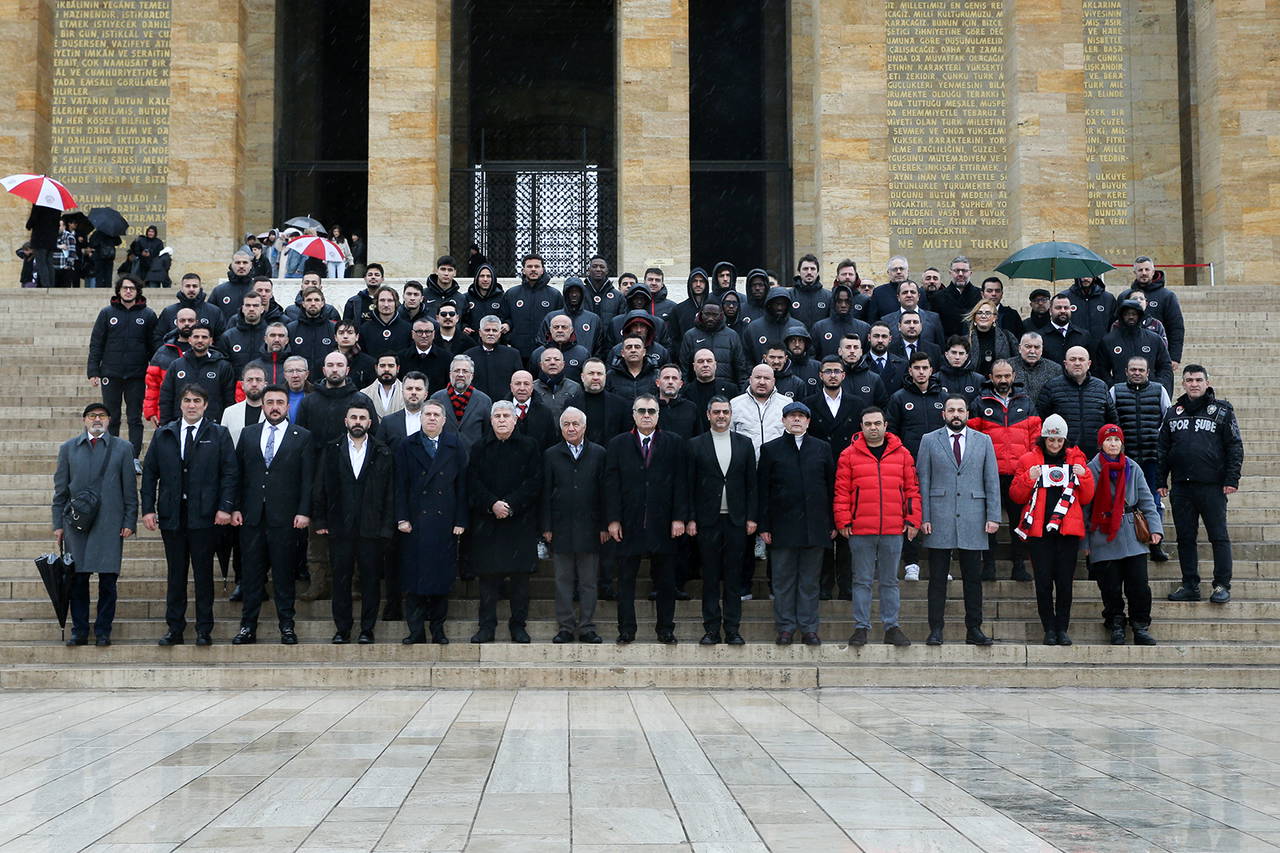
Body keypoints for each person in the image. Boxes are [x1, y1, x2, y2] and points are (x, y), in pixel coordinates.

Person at [140, 384, 237, 646]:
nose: (191, 405)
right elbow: (149, 474)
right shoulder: (165, 434)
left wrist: (225, 507)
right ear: (180, 404)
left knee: (204, 574)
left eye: (197, 400)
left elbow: (230, 473)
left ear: (205, 405)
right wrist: (147, 508)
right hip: (173, 516)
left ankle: (204, 629)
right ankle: (175, 628)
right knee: (176, 574)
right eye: (187, 400)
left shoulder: (219, 433)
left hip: (205, 516)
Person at [230, 385, 313, 645]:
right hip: (252, 518)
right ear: (263, 405)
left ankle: (287, 626)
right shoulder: (249, 434)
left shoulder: (302, 436)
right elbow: (238, 474)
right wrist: (234, 507)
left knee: (284, 575)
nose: (275, 406)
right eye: (270, 402)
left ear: (288, 406)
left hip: (286, 519)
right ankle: (247, 627)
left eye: (280, 402)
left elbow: (307, 479)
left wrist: (303, 511)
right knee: (252, 575)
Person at [604, 394, 690, 644]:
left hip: (663, 523)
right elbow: (611, 484)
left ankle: (665, 629)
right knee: (626, 582)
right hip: (628, 523)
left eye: (651, 411)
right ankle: (627, 630)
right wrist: (613, 520)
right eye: (641, 410)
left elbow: (681, 483)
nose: (646, 415)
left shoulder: (674, 443)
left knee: (665, 582)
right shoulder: (618, 444)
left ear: (658, 415)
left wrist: (679, 518)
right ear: (633, 414)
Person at [916, 395, 1001, 646]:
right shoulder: (929, 440)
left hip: (974, 516)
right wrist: (925, 516)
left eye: (960, 410)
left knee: (973, 578)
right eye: (951, 410)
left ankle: (974, 628)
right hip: (939, 516)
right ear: (943, 414)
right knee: (938, 578)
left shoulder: (983, 441)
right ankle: (936, 629)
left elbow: (991, 480)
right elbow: (923, 480)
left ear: (967, 414)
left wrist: (994, 515)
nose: (956, 414)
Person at [52, 403, 138, 646]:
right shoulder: (68, 449)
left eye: (101, 416)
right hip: (76, 526)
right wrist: (58, 524)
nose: (97, 419)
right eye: (92, 416)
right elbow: (60, 491)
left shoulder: (123, 448)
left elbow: (130, 491)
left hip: (110, 524)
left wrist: (130, 520)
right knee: (77, 580)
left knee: (108, 581)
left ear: (109, 420)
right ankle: (79, 630)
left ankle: (103, 631)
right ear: (84, 420)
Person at [834, 406, 921, 647]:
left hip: (893, 528)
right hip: (861, 529)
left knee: (890, 581)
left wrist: (912, 519)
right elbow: (842, 491)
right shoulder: (848, 455)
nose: (873, 427)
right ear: (861, 427)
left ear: (885, 425)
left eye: (877, 423)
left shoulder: (902, 454)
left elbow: (912, 489)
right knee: (861, 580)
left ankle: (891, 627)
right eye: (868, 424)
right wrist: (843, 520)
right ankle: (861, 627)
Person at [1160, 364, 1244, 604]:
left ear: (1207, 382)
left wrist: (1231, 478)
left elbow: (1234, 446)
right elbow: (1162, 448)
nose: (1194, 384)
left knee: (1218, 536)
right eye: (1189, 380)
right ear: (1183, 383)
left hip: (1212, 485)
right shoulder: (1172, 412)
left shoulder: (1222, 410)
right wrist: (1160, 480)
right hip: (1181, 487)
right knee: (1185, 537)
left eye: (1198, 379)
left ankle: (1221, 585)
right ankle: (1189, 584)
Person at [1010, 414, 1096, 645]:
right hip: (1039, 533)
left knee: (1065, 583)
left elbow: (1087, 497)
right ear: (1044, 439)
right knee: (1043, 582)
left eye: (1059, 441)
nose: (1055, 445)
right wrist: (1029, 478)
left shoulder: (1076, 459)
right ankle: (1048, 628)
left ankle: (1062, 628)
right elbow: (1016, 495)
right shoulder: (1028, 460)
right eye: (1051, 440)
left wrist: (1084, 476)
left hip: (1067, 532)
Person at [313, 402, 394, 644]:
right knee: (340, 580)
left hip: (371, 528)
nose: (358, 421)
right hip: (340, 526)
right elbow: (321, 486)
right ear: (346, 421)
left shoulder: (383, 451)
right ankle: (343, 629)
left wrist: (387, 525)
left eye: (362, 418)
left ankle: (367, 629)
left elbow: (390, 492)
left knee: (370, 580)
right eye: (353, 417)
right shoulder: (331, 449)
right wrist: (320, 518)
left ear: (370, 423)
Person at [757, 401, 835, 646]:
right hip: (782, 527)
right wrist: (764, 526)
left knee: (810, 581)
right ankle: (786, 628)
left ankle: (809, 628)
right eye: (792, 416)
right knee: (783, 580)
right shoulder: (770, 450)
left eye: (801, 416)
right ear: (783, 421)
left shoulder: (822, 449)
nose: (797, 420)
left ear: (808, 421)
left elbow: (832, 488)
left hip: (815, 526)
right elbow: (763, 492)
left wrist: (832, 522)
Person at [466, 401, 542, 643]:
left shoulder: (529, 446)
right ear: (491, 420)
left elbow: (534, 482)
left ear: (515, 419)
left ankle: (518, 626)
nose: (501, 419)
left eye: (506, 415)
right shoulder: (479, 448)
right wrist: (492, 504)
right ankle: (486, 627)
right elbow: (473, 483)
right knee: (488, 579)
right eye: (497, 415)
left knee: (520, 580)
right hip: (487, 524)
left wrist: (510, 504)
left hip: (519, 522)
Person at [395, 400, 468, 644]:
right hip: (415, 522)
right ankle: (415, 631)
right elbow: (400, 485)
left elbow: (462, 485)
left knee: (440, 578)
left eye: (437, 414)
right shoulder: (407, 445)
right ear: (421, 417)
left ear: (444, 419)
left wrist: (460, 519)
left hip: (444, 521)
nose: (432, 418)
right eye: (428, 414)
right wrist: (402, 517)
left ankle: (438, 630)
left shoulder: (455, 444)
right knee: (414, 579)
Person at [688, 394, 757, 645]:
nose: (720, 416)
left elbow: (752, 484)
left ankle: (732, 629)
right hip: (708, 521)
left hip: (737, 521)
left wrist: (752, 517)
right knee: (710, 577)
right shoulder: (695, 444)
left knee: (733, 577)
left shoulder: (744, 443)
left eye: (725, 412)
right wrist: (691, 519)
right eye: (716, 412)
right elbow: (689, 486)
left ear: (731, 415)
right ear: (708, 415)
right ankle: (711, 629)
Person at [1086, 424, 1162, 646]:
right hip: (1102, 533)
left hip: (1131, 533)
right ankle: (1116, 623)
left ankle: (1140, 625)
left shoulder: (1133, 467)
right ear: (1101, 444)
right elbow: (1084, 507)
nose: (1113, 444)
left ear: (1121, 443)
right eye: (1109, 440)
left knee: (1138, 584)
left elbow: (1147, 500)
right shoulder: (1091, 469)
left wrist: (1156, 528)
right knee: (1109, 586)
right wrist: (1085, 541)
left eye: (1116, 440)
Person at [968, 360, 1040, 581]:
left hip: (1018, 474)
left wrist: (1030, 468)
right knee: (988, 521)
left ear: (1014, 375)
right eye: (998, 376)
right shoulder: (980, 403)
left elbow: (1036, 439)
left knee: (1019, 521)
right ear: (990, 377)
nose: (1003, 380)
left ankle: (1019, 565)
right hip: (989, 473)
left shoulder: (1026, 402)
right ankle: (988, 565)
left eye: (1007, 376)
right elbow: (972, 439)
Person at [541, 406, 607, 644]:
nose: (571, 428)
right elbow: (546, 492)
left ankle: (587, 627)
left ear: (584, 427)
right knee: (562, 581)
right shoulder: (550, 454)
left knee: (589, 582)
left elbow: (605, 493)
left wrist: (604, 526)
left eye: (575, 424)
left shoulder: (599, 453)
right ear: (560, 428)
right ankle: (566, 627)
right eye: (566, 424)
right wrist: (546, 526)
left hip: (590, 528)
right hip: (560, 528)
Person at [804, 357, 861, 599]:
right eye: (828, 371)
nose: (833, 375)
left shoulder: (857, 403)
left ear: (844, 375)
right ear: (820, 375)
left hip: (850, 471)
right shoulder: (809, 403)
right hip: (820, 473)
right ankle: (825, 585)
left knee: (848, 531)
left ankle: (846, 585)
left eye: (837, 371)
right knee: (825, 531)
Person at [87, 275, 157, 464]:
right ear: (118, 291)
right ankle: (110, 456)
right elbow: (96, 344)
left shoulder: (148, 315)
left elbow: (154, 347)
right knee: (112, 417)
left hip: (137, 375)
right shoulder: (107, 313)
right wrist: (93, 371)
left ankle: (133, 457)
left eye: (132, 288)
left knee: (134, 417)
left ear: (137, 291)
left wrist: (157, 372)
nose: (128, 291)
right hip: (111, 373)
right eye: (125, 288)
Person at [1110, 355, 1172, 561]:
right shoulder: (1115, 391)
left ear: (1148, 372)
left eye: (1141, 370)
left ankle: (1156, 544)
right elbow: (1110, 420)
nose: (1137, 373)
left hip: (1152, 458)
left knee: (1153, 502)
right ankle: (1123, 543)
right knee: (1122, 500)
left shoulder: (1159, 390)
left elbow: (1168, 419)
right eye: (1133, 369)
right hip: (1124, 459)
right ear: (1126, 371)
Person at [1036, 345, 1117, 458]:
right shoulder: (1051, 387)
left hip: (1096, 456)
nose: (1077, 363)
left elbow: (1112, 421)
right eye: (1073, 359)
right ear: (1065, 364)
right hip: (1062, 456)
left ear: (1089, 364)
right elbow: (1040, 421)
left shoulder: (1101, 386)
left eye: (1081, 359)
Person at [158, 325, 235, 425]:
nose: (200, 340)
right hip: (180, 424)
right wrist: (165, 424)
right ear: (189, 339)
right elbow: (166, 397)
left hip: (213, 425)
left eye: (204, 337)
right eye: (196, 337)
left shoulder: (223, 366)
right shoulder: (176, 365)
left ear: (211, 340)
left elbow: (228, 399)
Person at [1098, 299, 1173, 390]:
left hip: (1150, 394)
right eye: (1127, 314)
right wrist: (1112, 386)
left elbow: (1165, 366)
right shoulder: (1108, 341)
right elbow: (1102, 369)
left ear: (1140, 316)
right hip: (1120, 394)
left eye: (1134, 314)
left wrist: (1158, 385)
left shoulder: (1154, 339)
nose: (1130, 317)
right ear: (1121, 316)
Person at [678, 297, 750, 387]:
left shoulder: (732, 336)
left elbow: (740, 367)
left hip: (726, 389)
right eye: (707, 314)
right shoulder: (690, 336)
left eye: (714, 315)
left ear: (721, 315)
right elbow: (684, 368)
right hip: (696, 390)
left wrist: (741, 390)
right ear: (701, 314)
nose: (710, 318)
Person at [505, 253, 565, 360]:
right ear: (523, 270)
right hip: (518, 351)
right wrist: (509, 336)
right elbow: (504, 317)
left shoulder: (554, 295)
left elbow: (561, 321)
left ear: (542, 270)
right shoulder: (511, 294)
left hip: (546, 352)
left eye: (537, 266)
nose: (533, 269)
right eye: (529, 266)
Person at [144, 307, 196, 426]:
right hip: (170, 412)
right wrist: (151, 411)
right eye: (182, 321)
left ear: (196, 322)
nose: (187, 324)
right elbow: (152, 385)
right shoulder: (163, 352)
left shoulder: (204, 351)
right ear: (176, 323)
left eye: (190, 320)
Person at [1130, 256, 1184, 368]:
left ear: (1153, 271)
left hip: (1159, 355)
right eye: (1140, 270)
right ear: (1134, 272)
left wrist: (1174, 357)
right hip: (1131, 356)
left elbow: (1176, 327)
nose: (1144, 273)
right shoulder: (1126, 296)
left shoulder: (1167, 296)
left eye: (1147, 269)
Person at [431, 354, 493, 450]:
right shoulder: (436, 399)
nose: (460, 374)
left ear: (472, 376)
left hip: (474, 459)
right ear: (450, 374)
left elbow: (487, 434)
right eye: (456, 371)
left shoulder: (484, 401)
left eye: (465, 371)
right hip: (444, 458)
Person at [465, 315, 524, 399]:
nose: (491, 333)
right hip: (477, 404)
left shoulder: (513, 354)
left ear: (499, 334)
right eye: (487, 330)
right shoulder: (468, 355)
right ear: (480, 333)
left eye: (494, 330)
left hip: (505, 405)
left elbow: (519, 380)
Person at [287, 285, 338, 376]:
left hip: (326, 382)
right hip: (300, 381)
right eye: (309, 300)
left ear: (323, 303)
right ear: (303, 303)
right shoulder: (291, 328)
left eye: (317, 300)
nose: (313, 303)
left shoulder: (333, 328)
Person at [812, 282, 871, 359]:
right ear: (834, 303)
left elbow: (867, 357)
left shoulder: (864, 328)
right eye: (839, 301)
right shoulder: (819, 327)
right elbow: (813, 355)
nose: (843, 305)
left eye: (847, 301)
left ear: (851, 303)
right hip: (829, 370)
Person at [158, 273, 226, 338]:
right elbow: (158, 336)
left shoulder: (214, 311)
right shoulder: (169, 312)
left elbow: (221, 337)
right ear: (181, 288)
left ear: (200, 288)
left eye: (195, 286)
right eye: (187, 286)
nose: (191, 289)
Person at [963, 299, 1019, 377]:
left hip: (1000, 385)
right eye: (979, 313)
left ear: (994, 317)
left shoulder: (1007, 337)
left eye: (988, 313)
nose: (983, 316)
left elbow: (1017, 362)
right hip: (975, 385)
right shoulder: (965, 340)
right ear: (974, 317)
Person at [218, 291, 268, 375]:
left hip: (263, 385)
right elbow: (223, 368)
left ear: (262, 309)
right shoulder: (228, 336)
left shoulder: (270, 335)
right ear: (243, 308)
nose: (251, 309)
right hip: (237, 386)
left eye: (255, 305)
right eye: (248, 305)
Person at [930, 256, 982, 337]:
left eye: (964, 271)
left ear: (970, 273)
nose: (960, 274)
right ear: (950, 273)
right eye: (957, 271)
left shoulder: (981, 295)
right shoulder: (937, 297)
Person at [1040, 294, 1094, 367]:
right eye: (1058, 308)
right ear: (1050, 311)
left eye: (1066, 308)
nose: (1063, 311)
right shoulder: (1040, 337)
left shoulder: (1083, 335)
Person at [399, 317, 451, 392]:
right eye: (419, 332)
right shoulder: (401, 358)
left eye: (427, 332)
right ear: (413, 334)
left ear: (433, 334)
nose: (424, 336)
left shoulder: (447, 358)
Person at [359, 285, 412, 358]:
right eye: (382, 300)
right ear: (376, 303)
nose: (386, 305)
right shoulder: (364, 329)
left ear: (396, 303)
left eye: (390, 300)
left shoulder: (408, 328)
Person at [1010, 332, 1060, 405]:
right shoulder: (1008, 366)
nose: (1032, 351)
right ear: (1019, 348)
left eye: (1037, 347)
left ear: (1042, 349)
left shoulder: (1055, 369)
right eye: (1028, 346)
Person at [532, 348, 584, 418]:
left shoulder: (575, 388)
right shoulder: (533, 388)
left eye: (557, 359)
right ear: (541, 364)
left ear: (563, 364)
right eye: (547, 360)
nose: (552, 363)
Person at [606, 334, 660, 399]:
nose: (633, 350)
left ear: (644, 352)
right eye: (629, 347)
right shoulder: (611, 375)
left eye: (637, 347)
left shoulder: (656, 374)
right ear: (622, 353)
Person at [1064, 274, 1115, 342]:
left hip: (1101, 347)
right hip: (1074, 346)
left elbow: (1114, 324)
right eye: (1083, 274)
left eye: (1089, 275)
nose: (1085, 278)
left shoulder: (1108, 298)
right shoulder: (1066, 297)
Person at [462, 263, 508, 336]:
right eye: (482, 276)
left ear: (493, 278)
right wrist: (464, 327)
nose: (485, 279)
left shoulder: (503, 297)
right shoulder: (466, 297)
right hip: (472, 342)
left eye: (488, 276)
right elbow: (460, 319)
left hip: (496, 342)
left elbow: (509, 317)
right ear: (476, 278)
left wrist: (507, 324)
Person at [208, 251, 257, 319]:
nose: (241, 266)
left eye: (245, 262)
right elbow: (210, 315)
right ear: (231, 265)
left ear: (251, 265)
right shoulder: (219, 291)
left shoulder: (259, 290)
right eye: (238, 263)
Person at [788, 253, 831, 329]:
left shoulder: (829, 296)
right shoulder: (789, 295)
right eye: (805, 269)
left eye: (813, 269)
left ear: (817, 272)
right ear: (799, 271)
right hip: (797, 340)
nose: (809, 272)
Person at [935, 336, 984, 402]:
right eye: (954, 353)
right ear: (946, 355)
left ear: (966, 356)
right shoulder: (935, 379)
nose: (957, 357)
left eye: (961, 353)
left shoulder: (978, 380)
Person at [25, 202, 59, 287]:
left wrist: (28, 225)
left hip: (40, 239)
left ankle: (46, 285)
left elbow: (32, 221)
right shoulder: (56, 205)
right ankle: (51, 285)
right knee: (49, 263)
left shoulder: (38, 203)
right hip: (51, 240)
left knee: (41, 263)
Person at [334, 321, 376, 388]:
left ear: (357, 337)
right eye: (341, 333)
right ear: (335, 337)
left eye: (350, 333)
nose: (345, 336)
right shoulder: (326, 362)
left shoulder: (370, 363)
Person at [362, 353, 405, 418]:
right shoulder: (364, 394)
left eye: (391, 366)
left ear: (398, 368)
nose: (386, 369)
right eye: (382, 366)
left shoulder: (408, 393)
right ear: (376, 368)